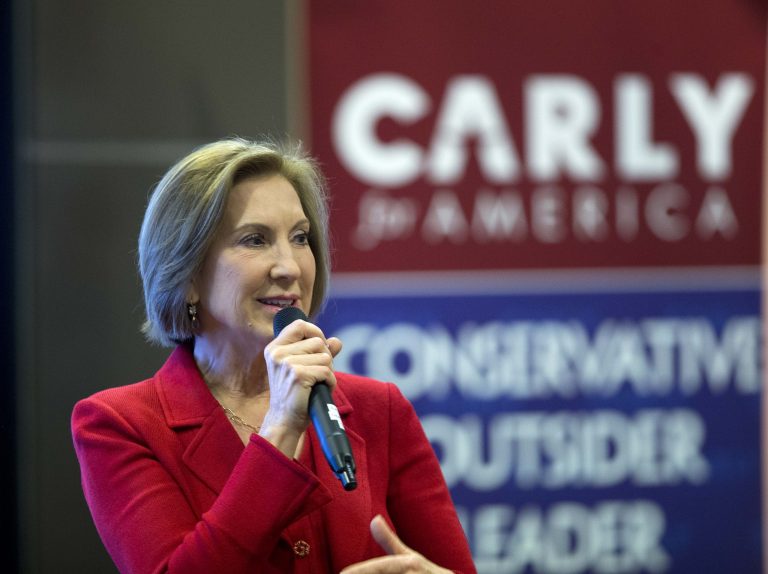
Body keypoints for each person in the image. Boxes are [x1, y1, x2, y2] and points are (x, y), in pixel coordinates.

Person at [71, 137, 476, 574]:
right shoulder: (119, 425)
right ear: (186, 274)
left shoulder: (382, 411)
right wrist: (282, 425)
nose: (290, 266)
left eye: (300, 238)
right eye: (255, 240)